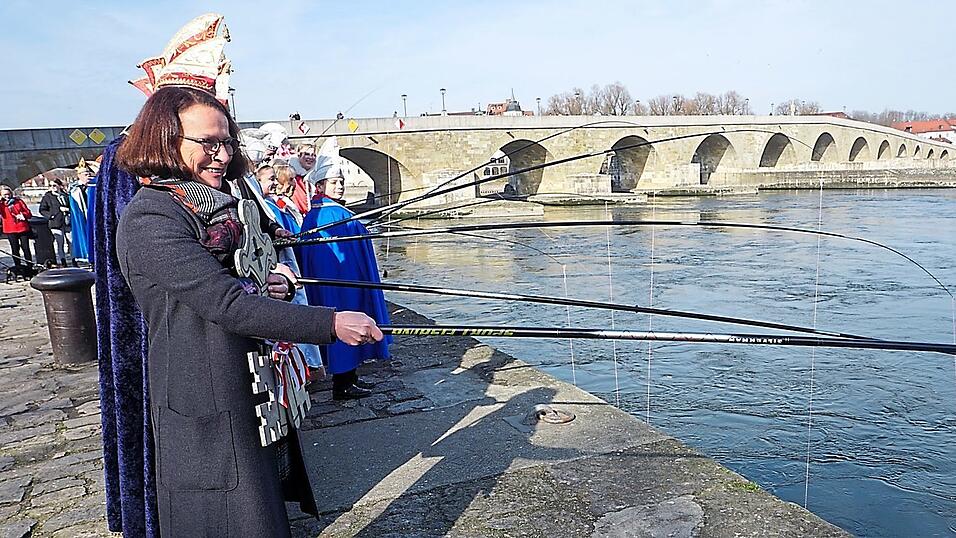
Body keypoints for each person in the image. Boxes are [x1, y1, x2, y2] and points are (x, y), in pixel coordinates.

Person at [113, 85, 383, 536]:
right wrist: (330, 324)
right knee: (228, 517)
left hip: (247, 384)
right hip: (204, 392)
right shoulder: (152, 218)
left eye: (227, 143)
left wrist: (273, 281)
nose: (221, 156)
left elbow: (240, 276)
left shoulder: (217, 205)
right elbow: (226, 303)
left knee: (260, 508)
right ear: (164, 141)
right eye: (209, 144)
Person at [299, 155, 392, 400]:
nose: (339, 186)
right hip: (342, 282)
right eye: (333, 182)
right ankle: (343, 384)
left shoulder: (318, 213)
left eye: (340, 181)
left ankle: (350, 378)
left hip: (334, 281)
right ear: (319, 187)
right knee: (345, 324)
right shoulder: (331, 214)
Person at [39, 179, 73, 266]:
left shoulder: (65, 195)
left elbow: (71, 206)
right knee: (60, 243)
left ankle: (73, 259)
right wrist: (52, 215)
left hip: (67, 221)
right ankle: (63, 261)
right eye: (50, 186)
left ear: (59, 186)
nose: (52, 188)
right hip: (55, 223)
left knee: (71, 242)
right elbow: (42, 210)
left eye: (54, 185)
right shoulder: (47, 197)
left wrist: (68, 210)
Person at [0, 185, 33, 270]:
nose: (7, 196)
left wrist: (23, 215)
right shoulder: (2, 204)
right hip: (10, 229)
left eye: (8, 194)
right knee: (15, 249)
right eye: (5, 195)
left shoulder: (18, 201)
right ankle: (18, 267)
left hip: (22, 227)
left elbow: (28, 213)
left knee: (26, 248)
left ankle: (30, 266)